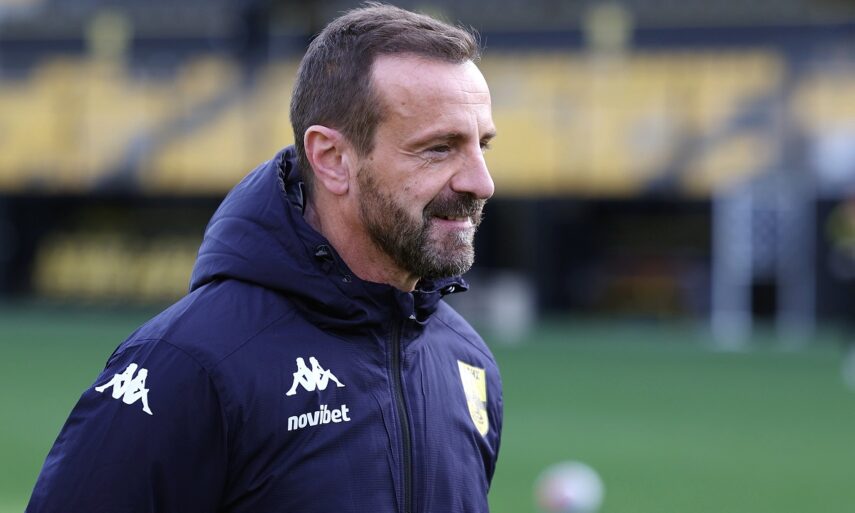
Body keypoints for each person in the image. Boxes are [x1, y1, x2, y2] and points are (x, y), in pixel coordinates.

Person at [27, 3, 503, 512]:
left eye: (483, 145)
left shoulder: (467, 361)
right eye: (438, 148)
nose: (481, 182)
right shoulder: (186, 366)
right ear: (332, 159)